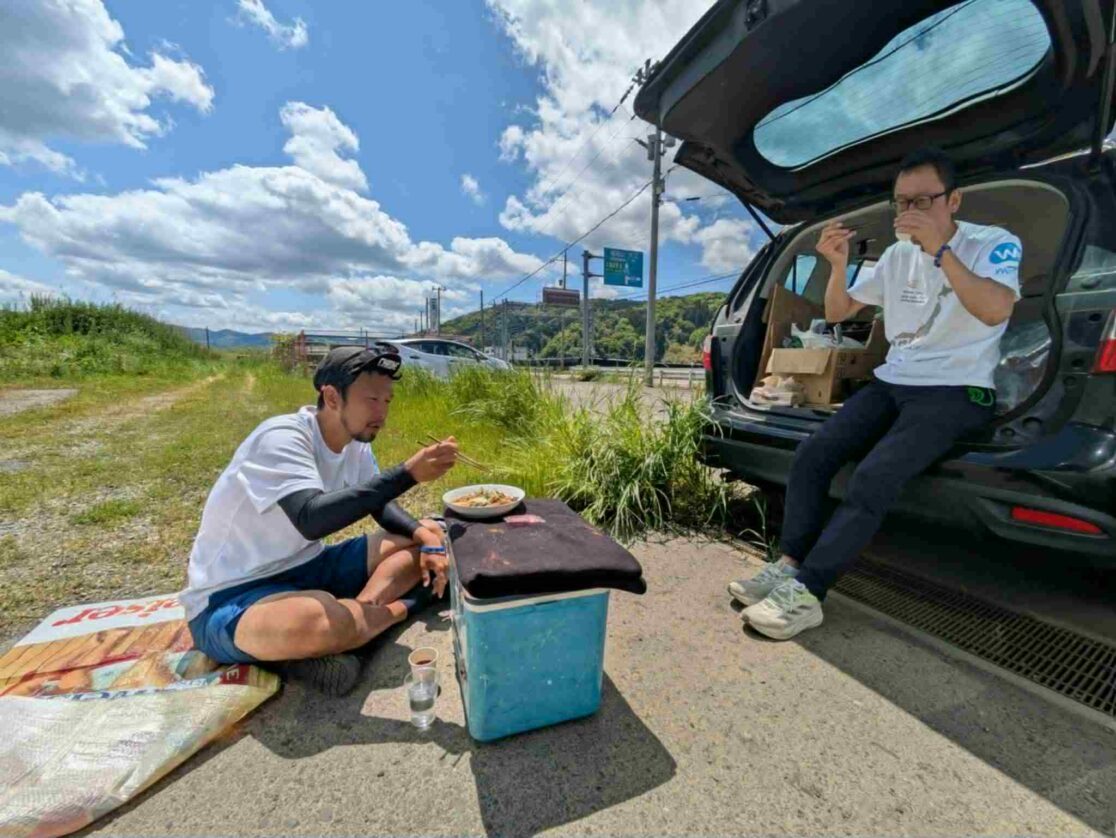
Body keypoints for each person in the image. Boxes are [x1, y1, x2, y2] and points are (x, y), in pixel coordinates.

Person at [729, 147, 1021, 640]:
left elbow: (995, 309)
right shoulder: (895, 256)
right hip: (893, 381)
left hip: (958, 388)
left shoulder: (992, 243)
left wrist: (941, 251)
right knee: (813, 454)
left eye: (922, 201)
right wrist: (837, 264)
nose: (909, 212)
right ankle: (788, 564)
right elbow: (838, 312)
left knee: (873, 477)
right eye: (901, 202)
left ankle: (808, 592)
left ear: (953, 201)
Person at [181, 344, 459, 695]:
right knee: (317, 622)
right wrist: (408, 474)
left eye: (387, 401)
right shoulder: (281, 438)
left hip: (308, 565)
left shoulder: (356, 443)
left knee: (431, 536)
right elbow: (311, 518)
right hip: (232, 595)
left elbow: (379, 505)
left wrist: (425, 535)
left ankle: (357, 621)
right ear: (331, 397)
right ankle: (393, 613)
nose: (382, 412)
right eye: (372, 399)